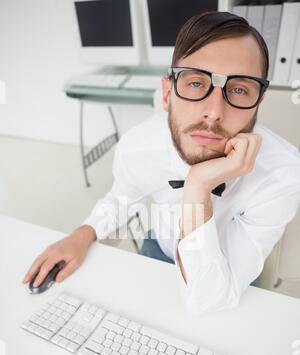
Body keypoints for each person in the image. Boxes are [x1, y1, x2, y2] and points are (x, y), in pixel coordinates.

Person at [23, 11, 300, 315]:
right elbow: (122, 200)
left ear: (258, 103)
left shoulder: (282, 173)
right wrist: (83, 235)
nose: (213, 112)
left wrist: (198, 185)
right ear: (168, 93)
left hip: (230, 266)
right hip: (160, 245)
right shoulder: (138, 145)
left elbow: (207, 297)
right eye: (196, 83)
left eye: (237, 89)